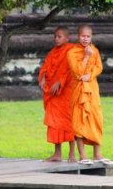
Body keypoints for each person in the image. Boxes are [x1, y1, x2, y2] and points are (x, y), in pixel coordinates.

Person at [67, 25, 113, 166]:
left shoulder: (95, 51)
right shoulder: (72, 52)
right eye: (83, 36)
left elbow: (99, 67)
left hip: (92, 90)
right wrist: (86, 57)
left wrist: (91, 75)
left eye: (88, 36)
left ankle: (97, 154)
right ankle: (82, 155)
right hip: (79, 91)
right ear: (78, 36)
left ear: (91, 37)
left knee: (96, 119)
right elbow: (77, 72)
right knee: (79, 122)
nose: (85, 39)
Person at [38, 26, 76, 162]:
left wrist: (60, 81)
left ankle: (72, 154)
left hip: (66, 91)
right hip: (53, 93)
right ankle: (57, 153)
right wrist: (42, 78)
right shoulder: (53, 52)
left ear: (67, 38)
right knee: (54, 122)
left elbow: (72, 69)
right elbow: (46, 67)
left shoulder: (72, 50)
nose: (56, 39)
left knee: (68, 121)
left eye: (59, 36)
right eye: (55, 36)